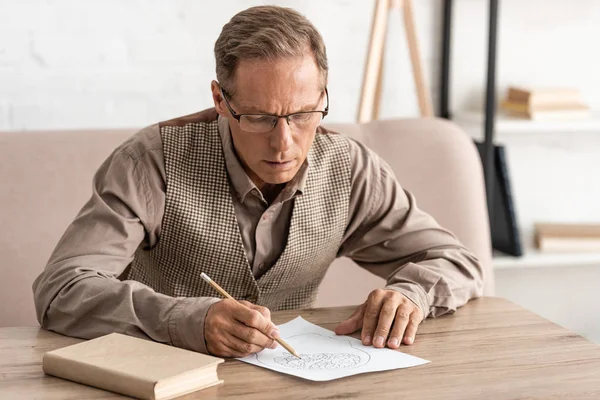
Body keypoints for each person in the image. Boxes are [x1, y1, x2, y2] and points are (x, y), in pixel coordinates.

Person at [32, 5, 483, 358]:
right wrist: (184, 319)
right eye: (260, 117)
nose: (284, 143)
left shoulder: (350, 169)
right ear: (220, 100)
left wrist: (411, 294)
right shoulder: (150, 162)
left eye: (304, 114)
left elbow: (458, 262)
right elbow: (60, 290)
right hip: (161, 383)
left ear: (323, 95)